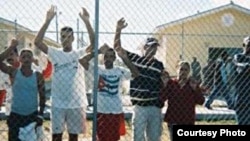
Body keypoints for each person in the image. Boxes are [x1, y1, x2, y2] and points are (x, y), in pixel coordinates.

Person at [34, 6, 94, 141]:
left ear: (73, 38)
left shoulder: (78, 53)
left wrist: (87, 21)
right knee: (56, 137)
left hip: (76, 103)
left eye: (68, 37)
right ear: (60, 38)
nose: (65, 39)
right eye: (62, 37)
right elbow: (37, 42)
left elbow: (93, 44)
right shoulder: (55, 53)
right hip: (58, 103)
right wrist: (48, 20)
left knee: (73, 137)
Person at [114, 18, 164, 141]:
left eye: (155, 47)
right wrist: (118, 29)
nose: (152, 50)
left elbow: (162, 84)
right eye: (150, 47)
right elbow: (117, 48)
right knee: (138, 137)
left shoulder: (159, 65)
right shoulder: (135, 59)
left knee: (154, 137)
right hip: (139, 106)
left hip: (154, 106)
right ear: (144, 48)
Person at [79, 42, 139, 141]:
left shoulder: (119, 70)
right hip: (101, 111)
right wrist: (98, 51)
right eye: (106, 56)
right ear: (103, 57)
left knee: (114, 138)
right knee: (101, 138)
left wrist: (124, 58)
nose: (108, 58)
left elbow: (136, 73)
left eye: (111, 56)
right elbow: (82, 60)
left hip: (115, 110)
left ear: (114, 59)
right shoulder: (98, 69)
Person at [0, 39, 46, 141]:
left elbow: (43, 96)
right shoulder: (14, 72)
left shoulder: (37, 76)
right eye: (23, 56)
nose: (26, 58)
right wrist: (11, 47)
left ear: (32, 59)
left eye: (29, 56)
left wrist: (41, 115)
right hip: (15, 114)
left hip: (32, 114)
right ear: (19, 59)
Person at [160, 61, 205, 141]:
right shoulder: (171, 84)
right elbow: (162, 99)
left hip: (187, 119)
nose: (183, 72)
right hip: (173, 119)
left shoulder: (192, 84)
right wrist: (164, 85)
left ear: (189, 71)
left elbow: (201, 101)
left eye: (186, 70)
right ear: (177, 70)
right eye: (181, 69)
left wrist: (195, 89)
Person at [233, 36, 250, 125]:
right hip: (241, 98)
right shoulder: (238, 57)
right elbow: (238, 66)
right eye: (249, 45)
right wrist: (247, 66)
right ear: (243, 45)